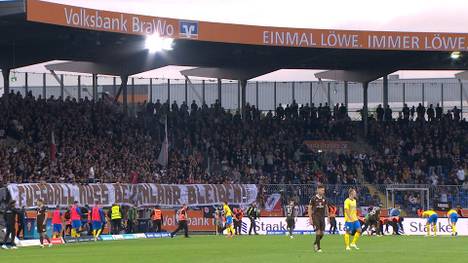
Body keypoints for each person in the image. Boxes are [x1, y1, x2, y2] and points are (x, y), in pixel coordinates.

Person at [309, 185, 328, 252]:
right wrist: (310, 218)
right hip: (315, 216)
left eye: (323, 190)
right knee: (318, 231)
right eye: (322, 190)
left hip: (322, 217)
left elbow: (326, 207)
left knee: (322, 233)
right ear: (318, 190)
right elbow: (309, 208)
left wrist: (328, 217)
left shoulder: (324, 198)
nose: (323, 191)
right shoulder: (313, 198)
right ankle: (318, 248)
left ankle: (315, 243)